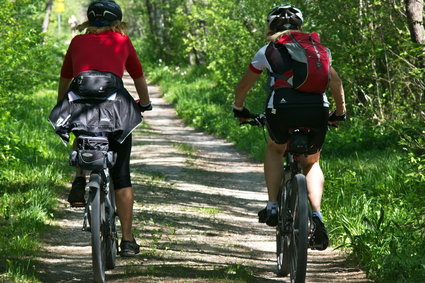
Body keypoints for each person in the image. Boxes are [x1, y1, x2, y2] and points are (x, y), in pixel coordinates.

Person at [232, 4, 346, 250]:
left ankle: (273, 206)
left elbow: (244, 86)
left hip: (281, 111)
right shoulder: (318, 50)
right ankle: (316, 215)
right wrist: (340, 113)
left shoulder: (267, 50)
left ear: (271, 27)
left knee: (275, 148)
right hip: (317, 110)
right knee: (312, 161)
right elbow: (335, 81)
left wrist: (239, 109)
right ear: (299, 26)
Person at [56, 0, 152, 257]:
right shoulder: (122, 40)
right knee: (122, 175)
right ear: (116, 21)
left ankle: (79, 176)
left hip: (80, 105)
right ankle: (128, 240)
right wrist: (145, 104)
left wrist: (61, 104)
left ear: (89, 20)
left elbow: (66, 78)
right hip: (115, 109)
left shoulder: (77, 42)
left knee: (81, 127)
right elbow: (138, 75)